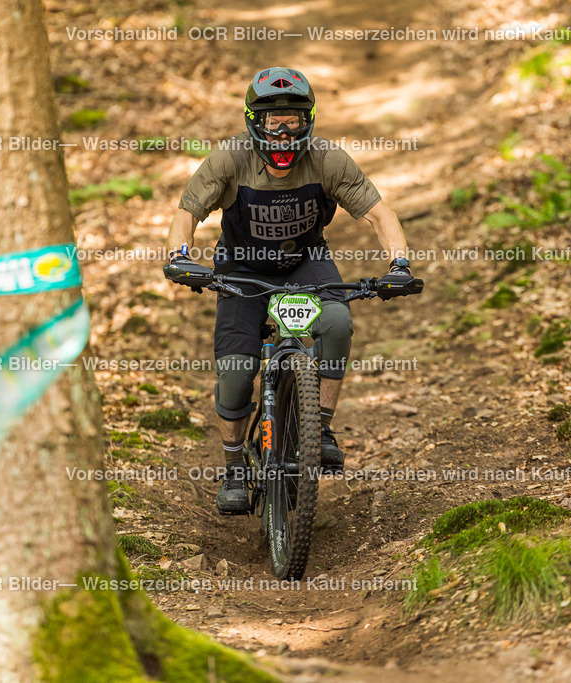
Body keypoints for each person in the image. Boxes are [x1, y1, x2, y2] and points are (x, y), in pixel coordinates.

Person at [163, 66, 418, 514]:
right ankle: (234, 468)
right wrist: (180, 257)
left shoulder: (328, 160)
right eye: (272, 122)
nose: (283, 133)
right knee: (238, 372)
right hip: (240, 269)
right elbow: (187, 212)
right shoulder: (230, 159)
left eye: (294, 121)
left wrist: (399, 264)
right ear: (252, 121)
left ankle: (319, 429)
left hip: (306, 262)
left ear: (310, 120)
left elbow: (380, 214)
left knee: (337, 322)